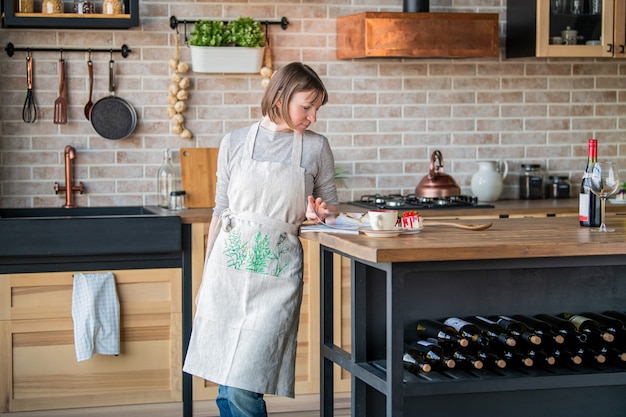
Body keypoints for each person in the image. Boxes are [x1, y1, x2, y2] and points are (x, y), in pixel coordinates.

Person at [183, 62, 338, 417]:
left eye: (317, 109)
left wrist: (319, 215)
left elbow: (331, 208)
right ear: (281, 97)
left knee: (243, 384)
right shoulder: (235, 142)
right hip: (229, 270)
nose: (313, 117)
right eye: (307, 106)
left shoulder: (316, 148)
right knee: (226, 380)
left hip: (277, 276)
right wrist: (207, 277)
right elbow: (220, 212)